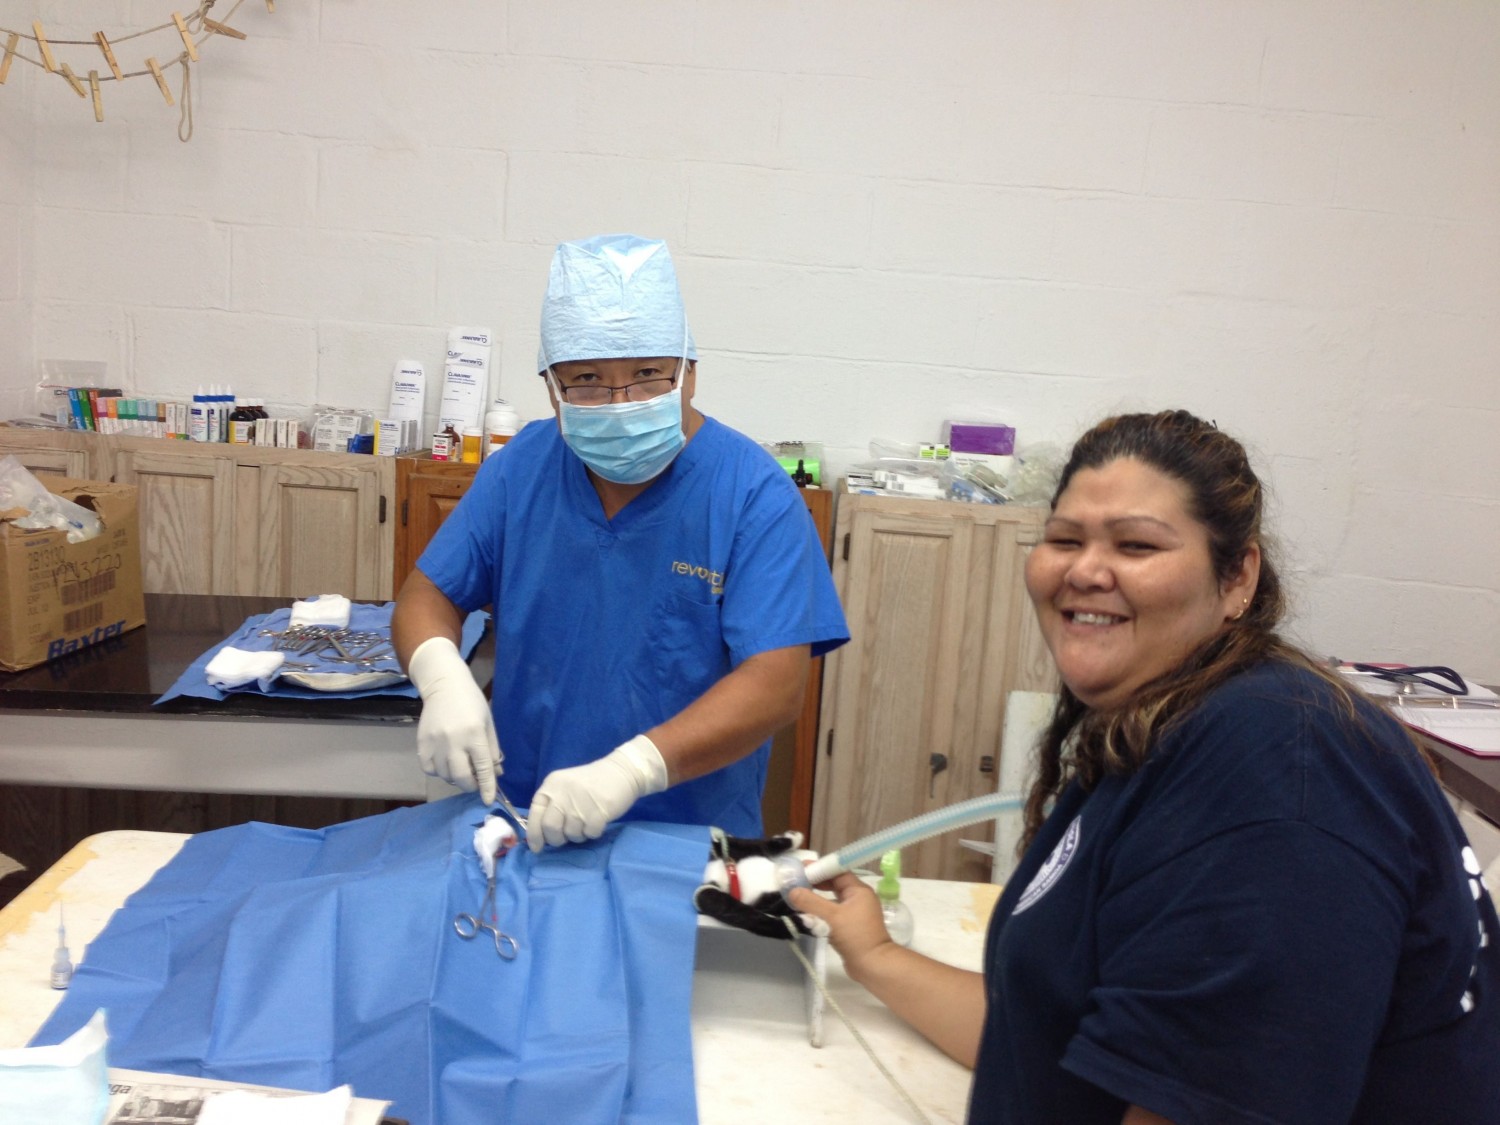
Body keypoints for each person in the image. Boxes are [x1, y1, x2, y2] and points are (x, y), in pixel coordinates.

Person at [791, 410, 1500, 1123]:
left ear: (1237, 578)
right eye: (1065, 539)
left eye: (1135, 544)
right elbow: (1056, 1036)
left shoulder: (1275, 772)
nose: (1085, 569)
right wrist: (874, 954)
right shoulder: (1162, 732)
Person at [393, 233, 849, 852]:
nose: (621, 404)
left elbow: (776, 682)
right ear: (551, 387)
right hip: (524, 822)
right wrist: (440, 675)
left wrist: (632, 770)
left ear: (689, 374)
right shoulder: (523, 467)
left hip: (681, 840)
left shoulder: (752, 494)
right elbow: (429, 594)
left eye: (646, 376)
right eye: (586, 379)